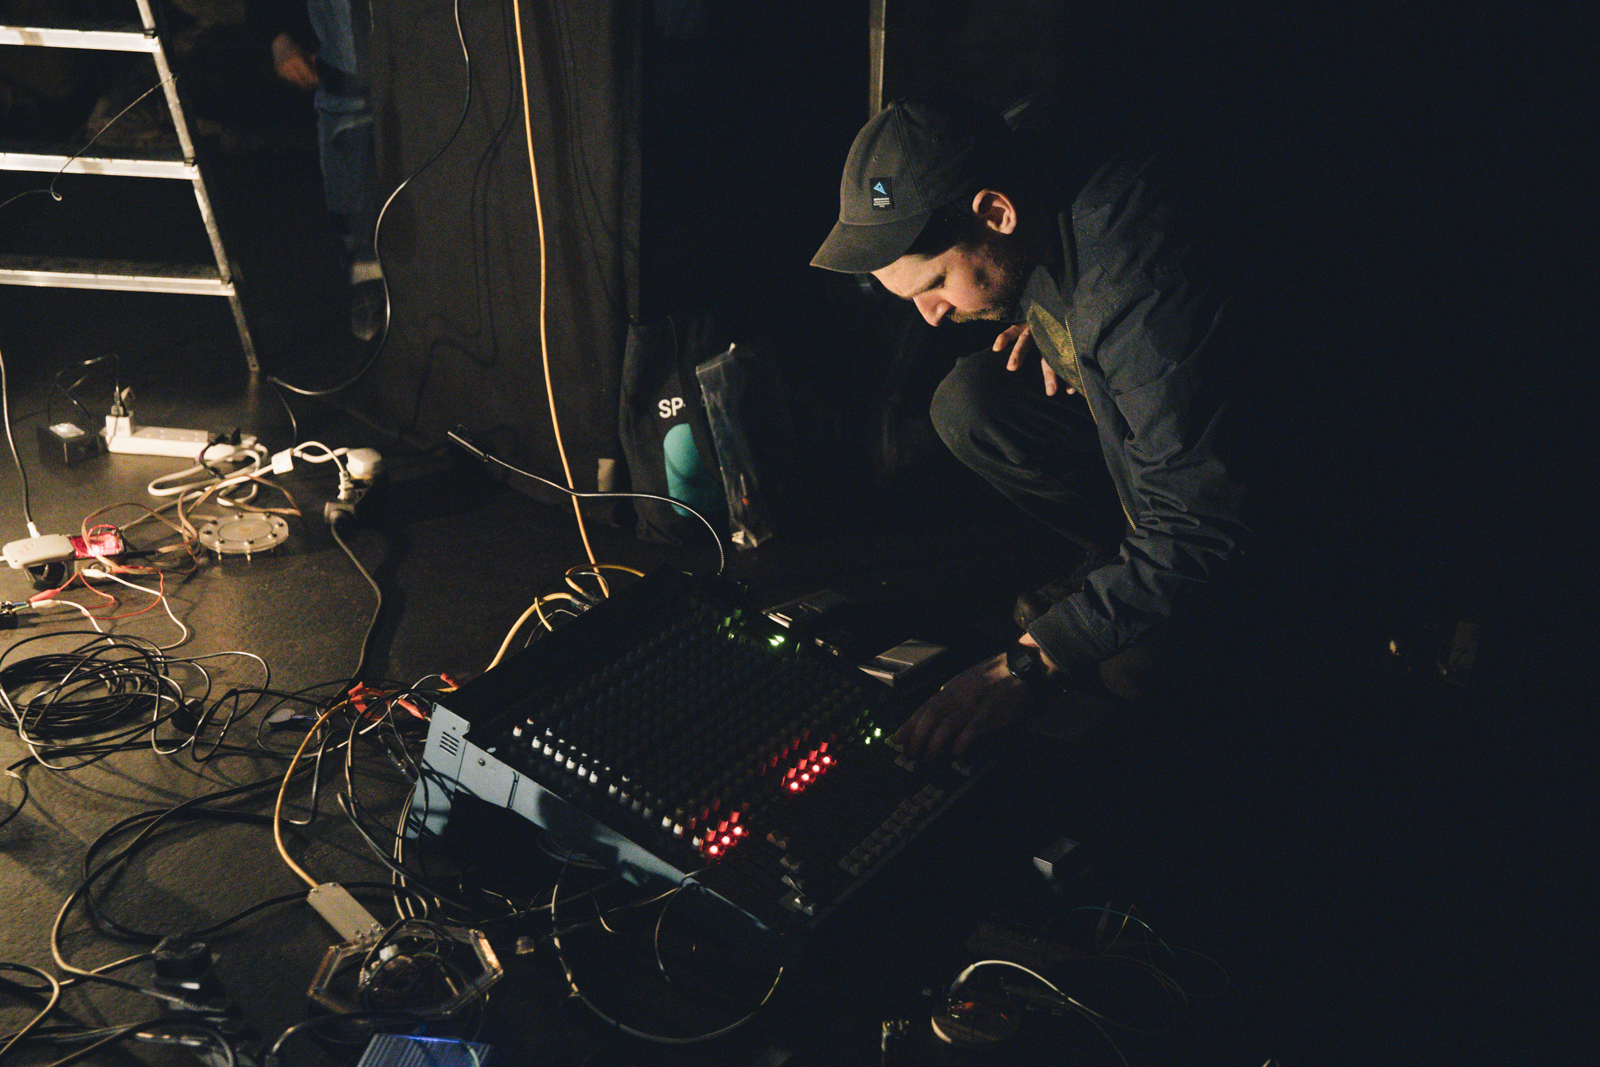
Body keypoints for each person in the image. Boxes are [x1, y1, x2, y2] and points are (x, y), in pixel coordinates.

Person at [811, 97, 1255, 761]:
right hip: (1161, 437)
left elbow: (1205, 522)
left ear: (996, 213)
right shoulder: (1023, 161)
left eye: (935, 283)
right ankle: (1118, 567)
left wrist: (1029, 661)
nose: (930, 315)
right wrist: (1049, 317)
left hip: (1261, 516)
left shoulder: (1140, 289)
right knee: (971, 404)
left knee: (1130, 668)